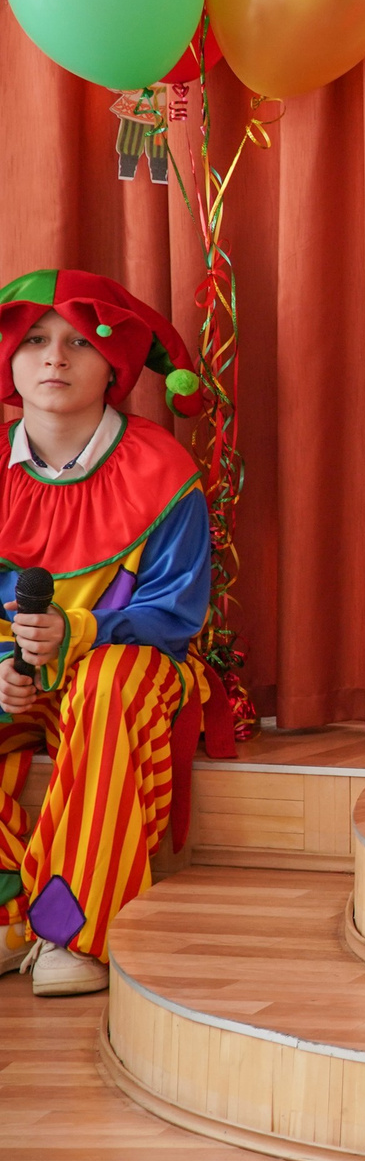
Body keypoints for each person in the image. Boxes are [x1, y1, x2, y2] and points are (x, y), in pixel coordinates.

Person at [0, 271, 213, 998]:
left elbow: (176, 615)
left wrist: (79, 632)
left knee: (106, 683)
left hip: (128, 670)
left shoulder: (162, 470)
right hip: (17, 678)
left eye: (78, 342)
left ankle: (73, 927)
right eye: (35, 341)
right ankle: (5, 912)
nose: (54, 358)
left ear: (114, 367)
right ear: (11, 361)